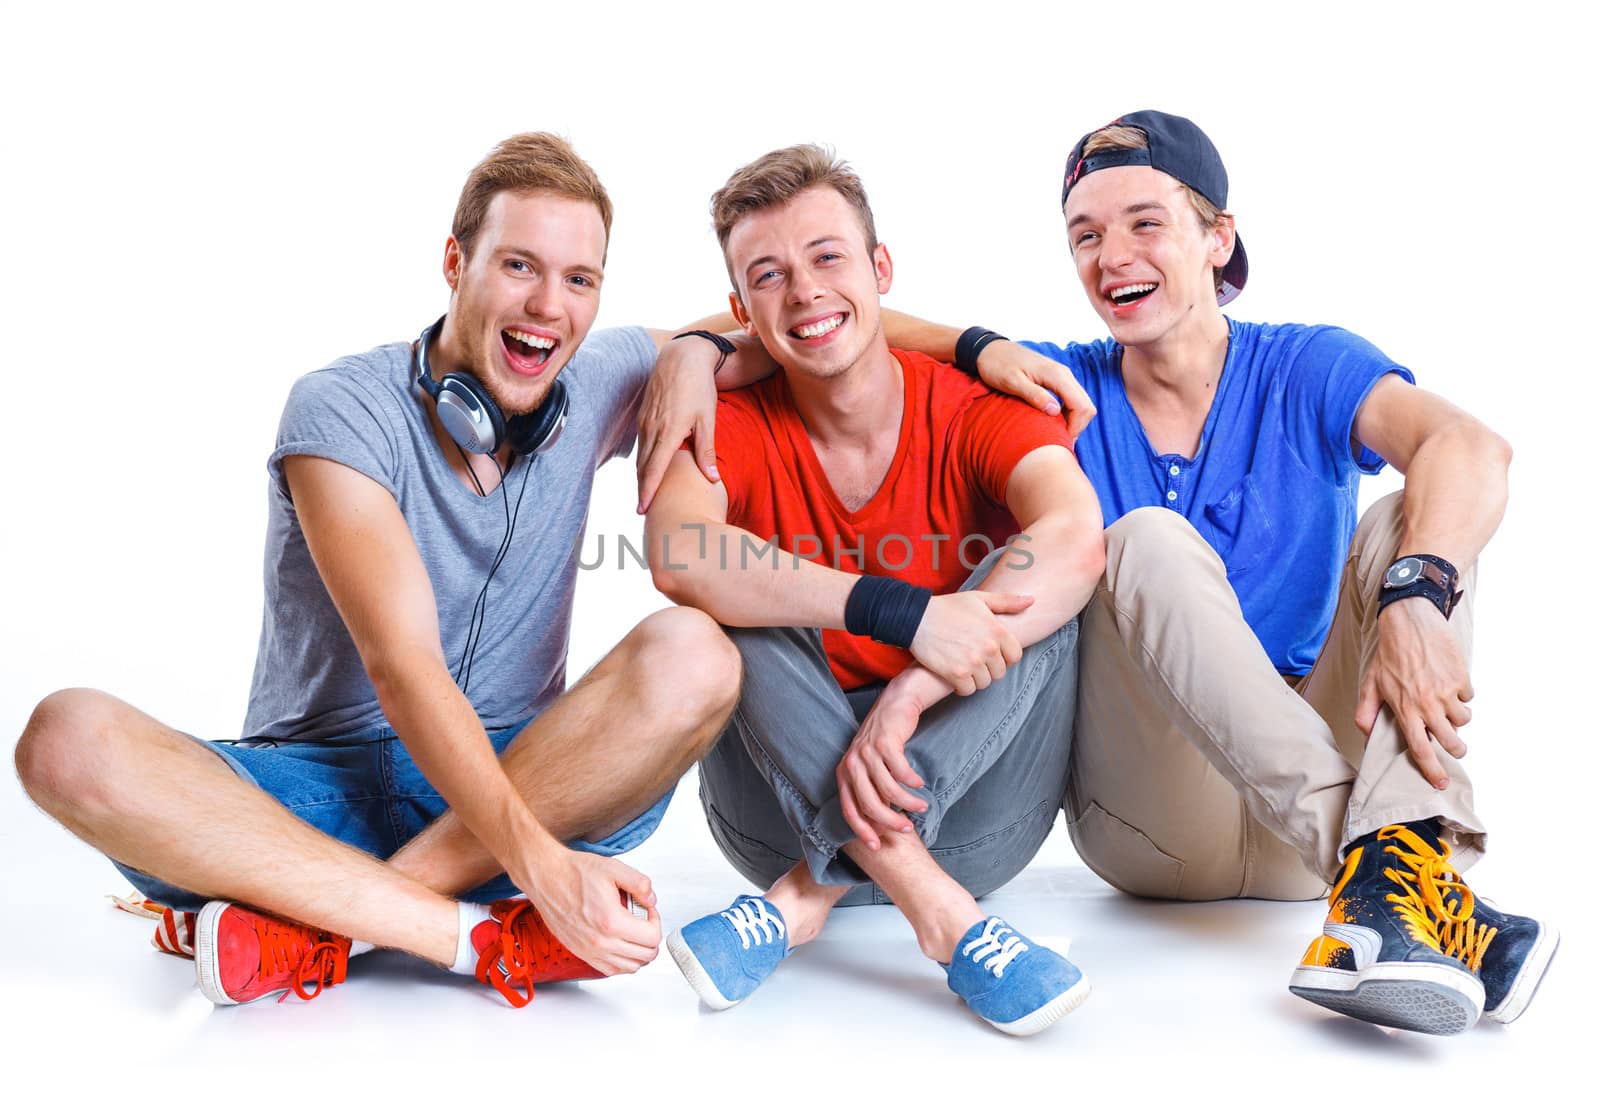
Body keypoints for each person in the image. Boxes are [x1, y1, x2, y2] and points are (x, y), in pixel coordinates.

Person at [14, 132, 745, 1008]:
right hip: (321, 792)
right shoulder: (340, 409)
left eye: (579, 280)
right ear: (455, 261)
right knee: (65, 738)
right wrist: (543, 867)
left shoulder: (598, 381)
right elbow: (404, 667)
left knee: (699, 652)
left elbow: (794, 321)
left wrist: (698, 352)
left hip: (531, 773)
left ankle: (317, 925)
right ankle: (472, 935)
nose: (549, 305)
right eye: (519, 265)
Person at [866, 110, 1558, 1036]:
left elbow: (1471, 445)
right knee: (1142, 537)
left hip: (1307, 823)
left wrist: (1418, 595)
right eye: (1086, 235)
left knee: (1411, 520)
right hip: (1152, 822)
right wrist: (711, 349)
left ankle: (1394, 898)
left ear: (1217, 236)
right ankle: (1399, 874)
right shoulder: (1056, 392)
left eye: (1145, 222)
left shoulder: (1303, 365)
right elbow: (830, 325)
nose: (1112, 255)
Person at [644, 146, 1105, 1036]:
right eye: (769, 276)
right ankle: (942, 917)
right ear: (740, 312)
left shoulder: (974, 401)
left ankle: (809, 896)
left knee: (1034, 590)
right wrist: (904, 613)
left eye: (827, 258)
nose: (805, 293)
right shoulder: (724, 420)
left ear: (879, 270)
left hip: (976, 819)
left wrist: (910, 692)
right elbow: (677, 553)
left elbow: (1076, 535)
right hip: (772, 810)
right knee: (726, 603)